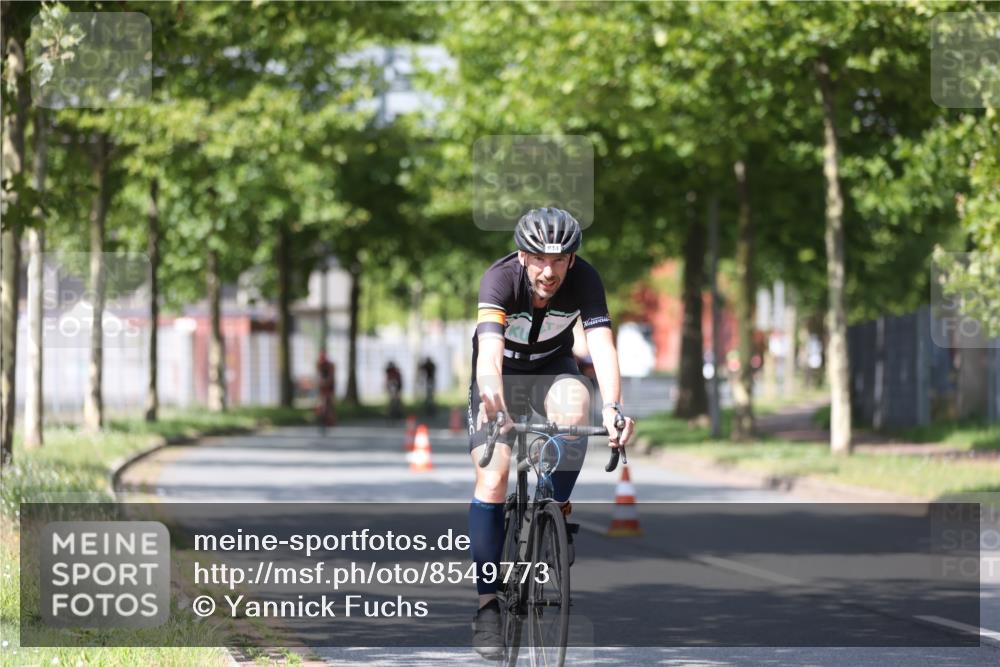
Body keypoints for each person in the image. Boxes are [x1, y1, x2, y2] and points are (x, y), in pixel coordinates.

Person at [467, 207, 636, 659]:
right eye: (539, 259)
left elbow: (601, 345)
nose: (548, 270)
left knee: (578, 406)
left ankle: (555, 507)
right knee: (494, 476)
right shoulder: (499, 280)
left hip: (553, 369)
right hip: (500, 374)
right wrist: (494, 404)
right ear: (522, 256)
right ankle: (488, 607)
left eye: (559, 260)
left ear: (572, 261)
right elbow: (488, 353)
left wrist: (616, 407)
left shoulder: (586, 280)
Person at [316, 351, 336, 432]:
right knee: (321, 403)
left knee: (329, 402)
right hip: (322, 387)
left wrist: (327, 382)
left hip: (329, 387)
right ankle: (322, 418)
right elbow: (318, 375)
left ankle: (330, 419)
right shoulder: (319, 364)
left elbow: (331, 376)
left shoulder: (330, 365)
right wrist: (320, 382)